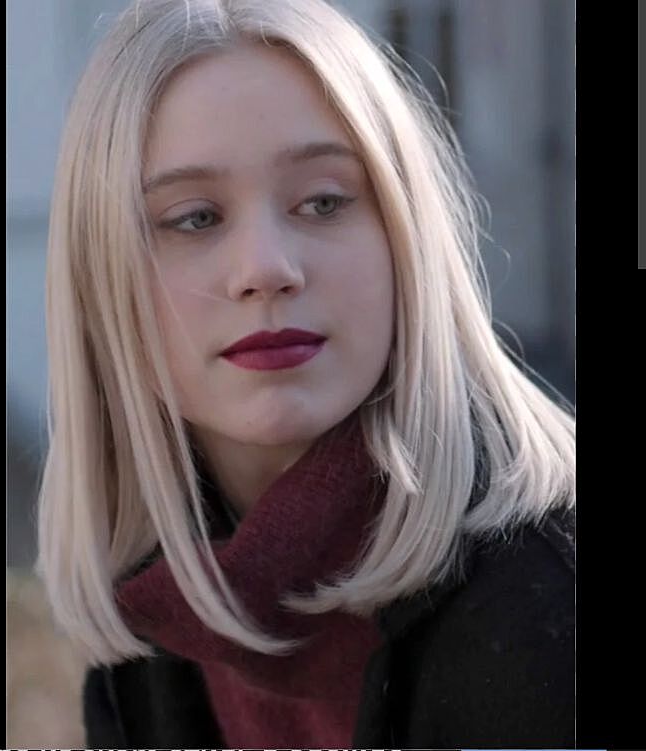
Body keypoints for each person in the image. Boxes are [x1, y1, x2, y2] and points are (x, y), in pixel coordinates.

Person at [36, 0, 575, 747]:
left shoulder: (553, 606)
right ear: (102, 282)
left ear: (406, 235)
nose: (266, 268)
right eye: (195, 217)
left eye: (323, 201)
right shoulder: (153, 617)